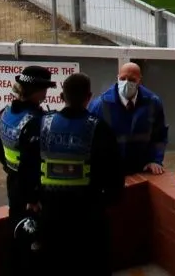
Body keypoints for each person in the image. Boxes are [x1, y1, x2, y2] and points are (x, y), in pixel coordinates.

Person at [20, 72, 121, 274]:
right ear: (89, 97)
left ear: (61, 96)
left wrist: (31, 197)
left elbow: (26, 166)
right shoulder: (100, 129)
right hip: (88, 217)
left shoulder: (39, 125)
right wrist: (106, 203)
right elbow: (114, 176)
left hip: (50, 214)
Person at [0, 65, 52, 254]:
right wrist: (33, 198)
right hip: (32, 193)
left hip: (13, 183)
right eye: (45, 89)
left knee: (17, 230)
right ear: (37, 91)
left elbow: (0, 154)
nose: (46, 93)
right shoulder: (35, 122)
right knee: (35, 238)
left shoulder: (4, 113)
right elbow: (31, 164)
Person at [89, 61, 169, 177]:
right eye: (123, 78)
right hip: (110, 171)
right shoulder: (100, 105)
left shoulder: (153, 103)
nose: (126, 83)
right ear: (117, 78)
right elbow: (90, 140)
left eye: (132, 79)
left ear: (139, 81)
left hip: (142, 170)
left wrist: (155, 160)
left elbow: (160, 135)